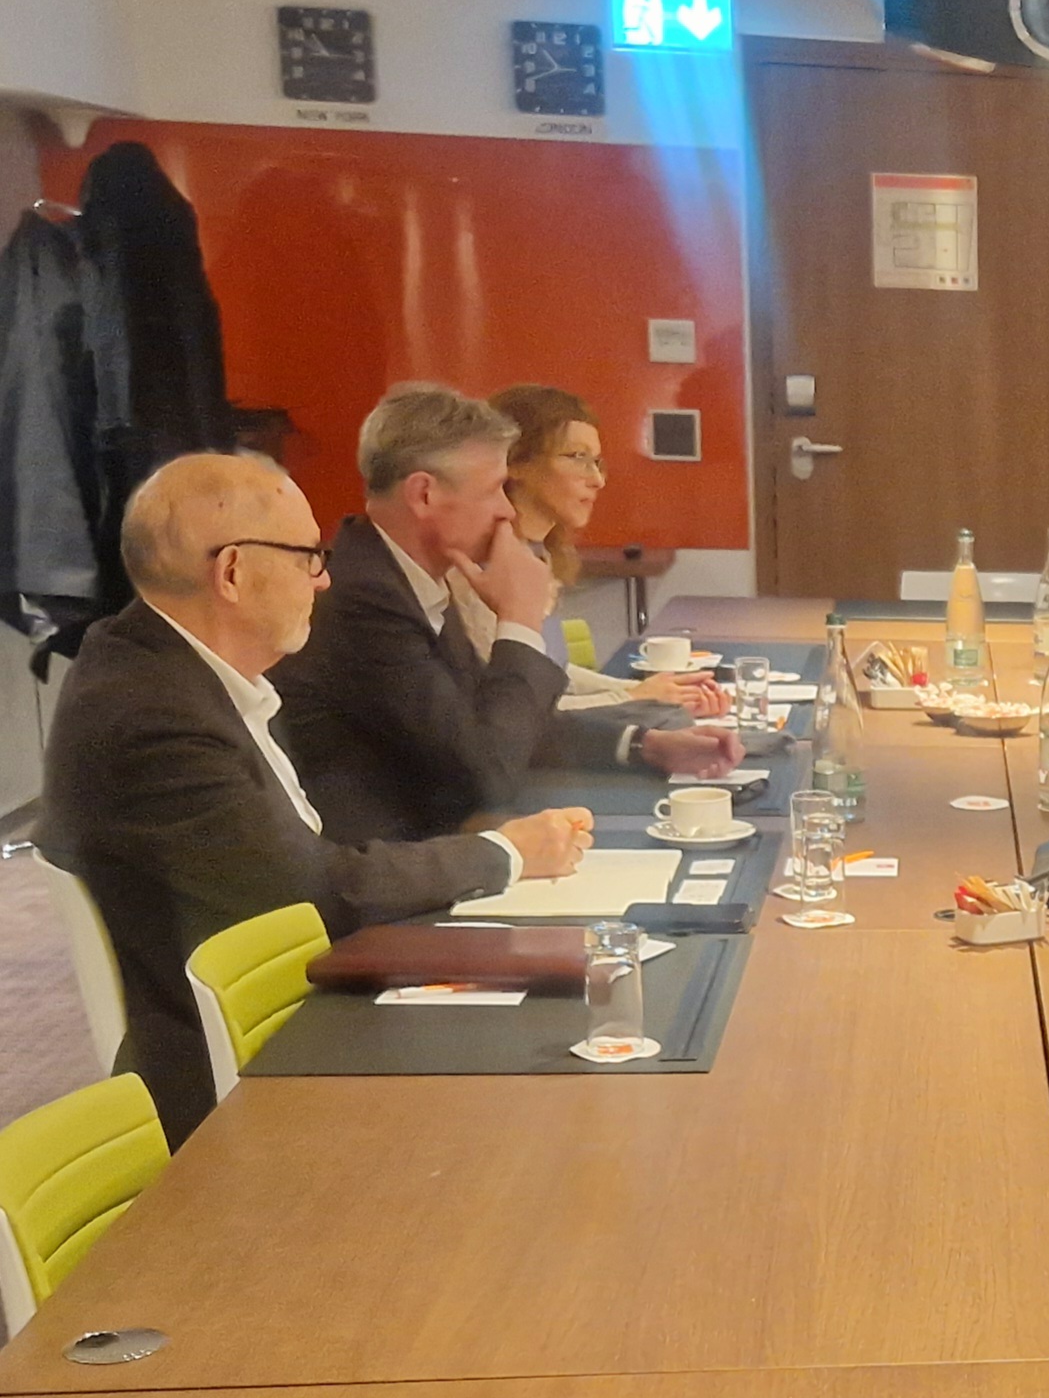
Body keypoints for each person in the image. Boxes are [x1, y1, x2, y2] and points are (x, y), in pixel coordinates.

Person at [39, 452, 589, 1141]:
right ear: (233, 572)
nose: (324, 580)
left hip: (294, 998)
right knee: (549, 1086)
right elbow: (315, 892)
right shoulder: (149, 717)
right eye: (308, 557)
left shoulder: (179, 671)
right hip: (248, 1068)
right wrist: (503, 853)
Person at [273, 385, 738, 845]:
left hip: (441, 843)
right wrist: (519, 620)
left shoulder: (409, 575)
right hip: (394, 867)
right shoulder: (365, 600)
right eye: (493, 489)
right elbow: (485, 773)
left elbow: (503, 722)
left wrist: (645, 745)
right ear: (424, 495)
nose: (504, 509)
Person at [487, 383, 723, 716]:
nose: (597, 480)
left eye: (597, 462)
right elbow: (519, 710)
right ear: (515, 462)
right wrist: (633, 699)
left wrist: (650, 691)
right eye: (577, 458)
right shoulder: (486, 568)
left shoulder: (539, 553)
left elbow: (551, 673)